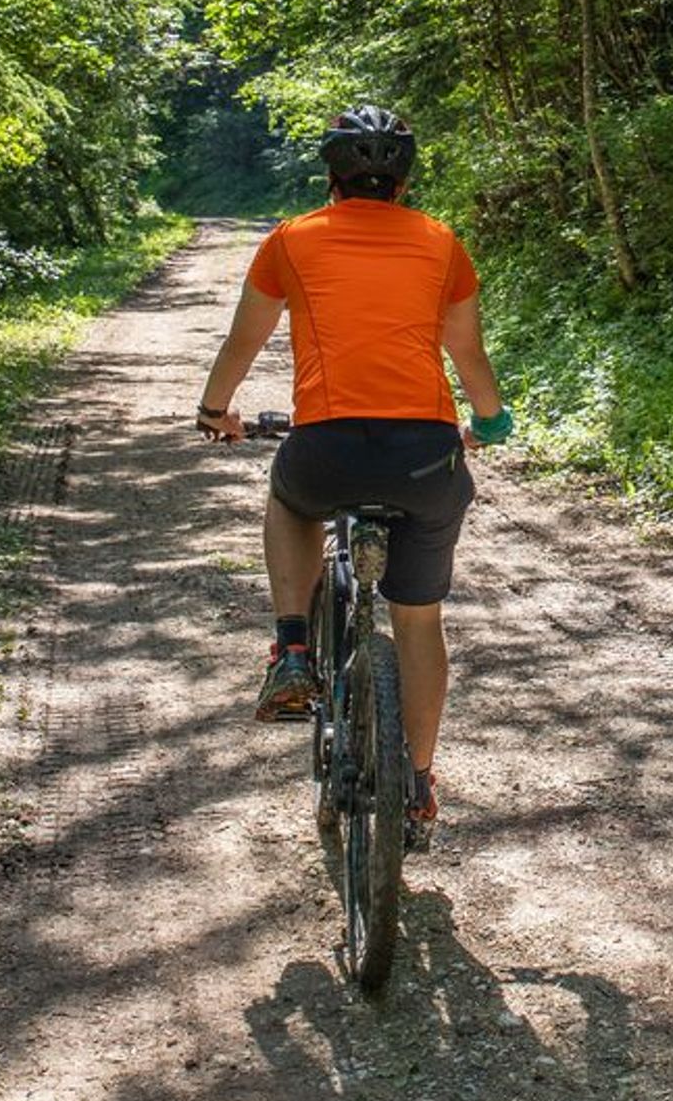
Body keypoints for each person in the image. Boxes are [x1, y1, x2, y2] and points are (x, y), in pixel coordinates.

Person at [194, 104, 510, 848]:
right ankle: (421, 782)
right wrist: (490, 424)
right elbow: (469, 357)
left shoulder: (292, 239)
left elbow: (246, 335)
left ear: (330, 177)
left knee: (291, 499)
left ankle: (294, 649)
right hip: (426, 455)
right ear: (402, 182)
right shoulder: (442, 243)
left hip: (328, 446)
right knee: (419, 619)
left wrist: (216, 408)